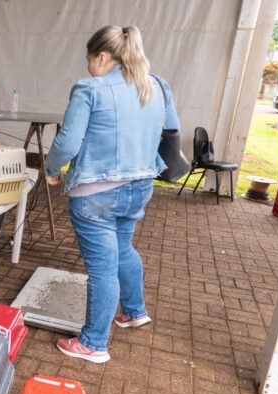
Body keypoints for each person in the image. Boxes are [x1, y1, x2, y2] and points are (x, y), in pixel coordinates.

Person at [45, 25, 179, 364]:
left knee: (102, 267)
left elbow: (67, 143)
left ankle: (93, 343)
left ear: (102, 57)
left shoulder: (91, 88)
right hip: (140, 187)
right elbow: (171, 130)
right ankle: (134, 311)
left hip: (96, 194)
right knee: (123, 248)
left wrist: (51, 168)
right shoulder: (157, 85)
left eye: (90, 59)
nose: (89, 67)